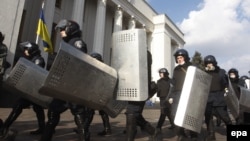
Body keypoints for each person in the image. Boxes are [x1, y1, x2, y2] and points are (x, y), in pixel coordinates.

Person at [40, 19, 88, 141]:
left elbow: (78, 64)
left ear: (70, 29)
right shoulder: (68, 43)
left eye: (62, 29)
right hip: (62, 85)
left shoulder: (77, 43)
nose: (60, 32)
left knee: (79, 116)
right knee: (52, 112)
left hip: (72, 86)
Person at [0, 42, 46, 139]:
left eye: (26, 49)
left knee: (19, 107)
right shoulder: (32, 59)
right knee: (37, 109)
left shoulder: (38, 59)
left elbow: (35, 72)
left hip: (32, 90)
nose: (25, 51)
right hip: (30, 89)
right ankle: (43, 128)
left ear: (31, 49)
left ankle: (5, 126)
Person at [168, 49, 198, 141]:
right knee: (174, 115)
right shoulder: (176, 69)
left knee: (190, 114)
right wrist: (171, 96)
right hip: (177, 94)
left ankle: (193, 135)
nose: (179, 59)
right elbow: (173, 83)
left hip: (189, 93)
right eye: (177, 58)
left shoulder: (192, 67)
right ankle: (181, 133)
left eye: (181, 57)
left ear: (185, 57)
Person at [125, 51, 155, 141]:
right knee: (135, 115)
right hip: (131, 88)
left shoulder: (144, 52)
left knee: (132, 113)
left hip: (140, 88)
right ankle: (153, 131)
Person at [203, 55, 232, 141]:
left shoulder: (221, 72)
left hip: (219, 98)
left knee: (225, 117)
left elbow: (226, 83)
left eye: (210, 63)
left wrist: (226, 90)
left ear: (214, 63)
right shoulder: (203, 74)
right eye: (207, 63)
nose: (209, 65)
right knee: (208, 118)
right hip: (208, 99)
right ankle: (211, 135)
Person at [155, 68, 175, 136]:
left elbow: (173, 90)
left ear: (165, 73)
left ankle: (158, 127)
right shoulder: (159, 81)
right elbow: (158, 91)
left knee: (167, 113)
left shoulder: (170, 81)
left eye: (161, 73)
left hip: (169, 99)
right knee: (165, 112)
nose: (160, 74)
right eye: (159, 73)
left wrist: (171, 97)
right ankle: (172, 125)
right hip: (163, 99)